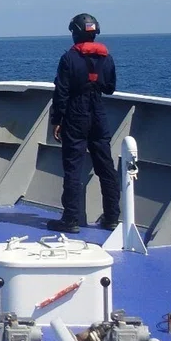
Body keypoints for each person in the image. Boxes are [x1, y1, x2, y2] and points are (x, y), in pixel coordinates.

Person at [47, 13, 120, 233]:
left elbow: (61, 92)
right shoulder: (106, 58)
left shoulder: (69, 58)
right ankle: (112, 217)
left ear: (75, 33)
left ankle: (70, 219)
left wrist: (57, 120)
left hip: (75, 113)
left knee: (73, 167)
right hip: (98, 113)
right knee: (105, 167)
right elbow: (110, 88)